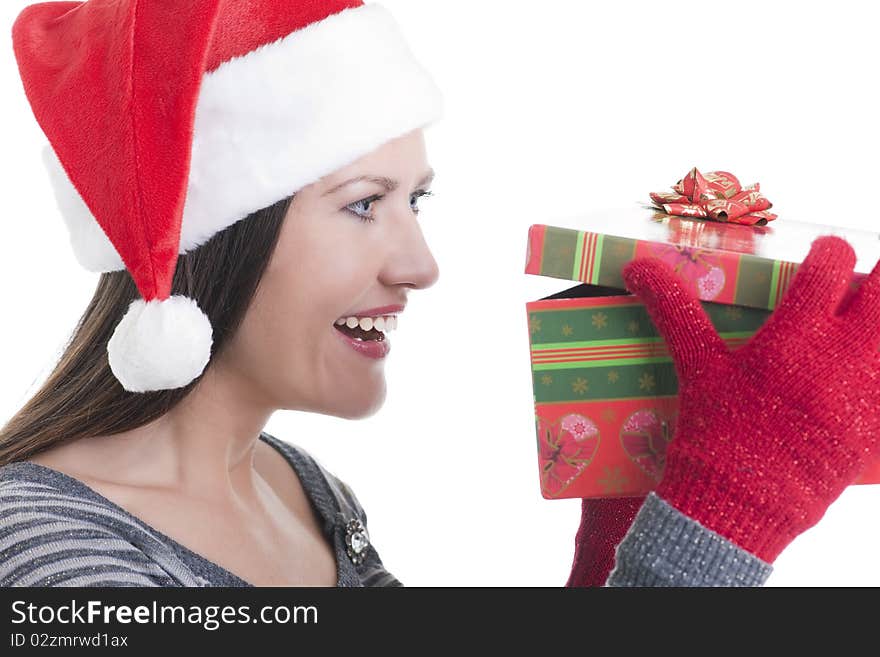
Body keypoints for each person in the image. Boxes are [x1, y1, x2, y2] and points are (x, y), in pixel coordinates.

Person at [2, 0, 879, 588]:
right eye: (362, 205)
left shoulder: (304, 490)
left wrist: (625, 544)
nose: (419, 266)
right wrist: (725, 511)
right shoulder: (50, 557)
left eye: (413, 199)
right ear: (205, 244)